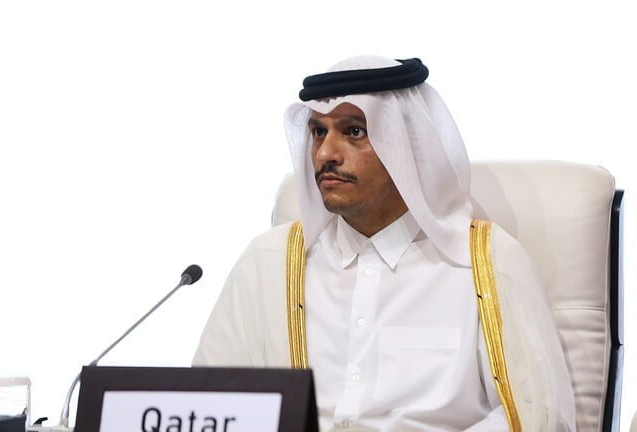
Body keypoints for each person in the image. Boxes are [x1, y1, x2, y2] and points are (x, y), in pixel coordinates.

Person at [193, 56, 576, 431]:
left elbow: (538, 416)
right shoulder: (268, 263)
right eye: (318, 132)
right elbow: (207, 408)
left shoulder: (486, 263)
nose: (325, 154)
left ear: (407, 145)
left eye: (354, 131)